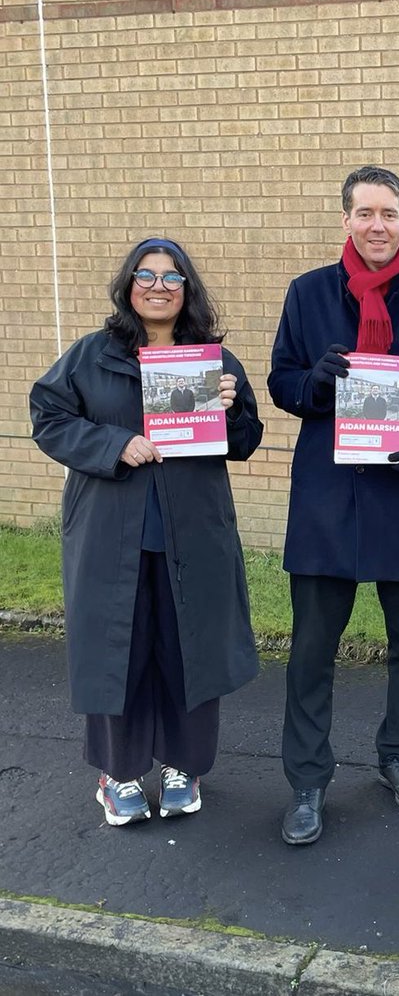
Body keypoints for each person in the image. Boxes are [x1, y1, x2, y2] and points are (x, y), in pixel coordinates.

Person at [269, 164, 399, 846]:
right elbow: (281, 383)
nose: (377, 225)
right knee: (310, 652)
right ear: (347, 220)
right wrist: (314, 383)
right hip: (329, 497)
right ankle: (307, 780)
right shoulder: (308, 294)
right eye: (364, 213)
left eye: (388, 213)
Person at [30, 238, 262, 826]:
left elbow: (246, 440)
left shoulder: (213, 362)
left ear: (188, 290)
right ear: (128, 285)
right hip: (112, 534)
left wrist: (231, 411)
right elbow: (48, 416)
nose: (158, 286)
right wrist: (114, 443)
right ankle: (119, 773)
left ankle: (185, 765)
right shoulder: (91, 356)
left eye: (172, 277)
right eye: (146, 274)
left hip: (193, 534)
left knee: (190, 652)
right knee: (119, 653)